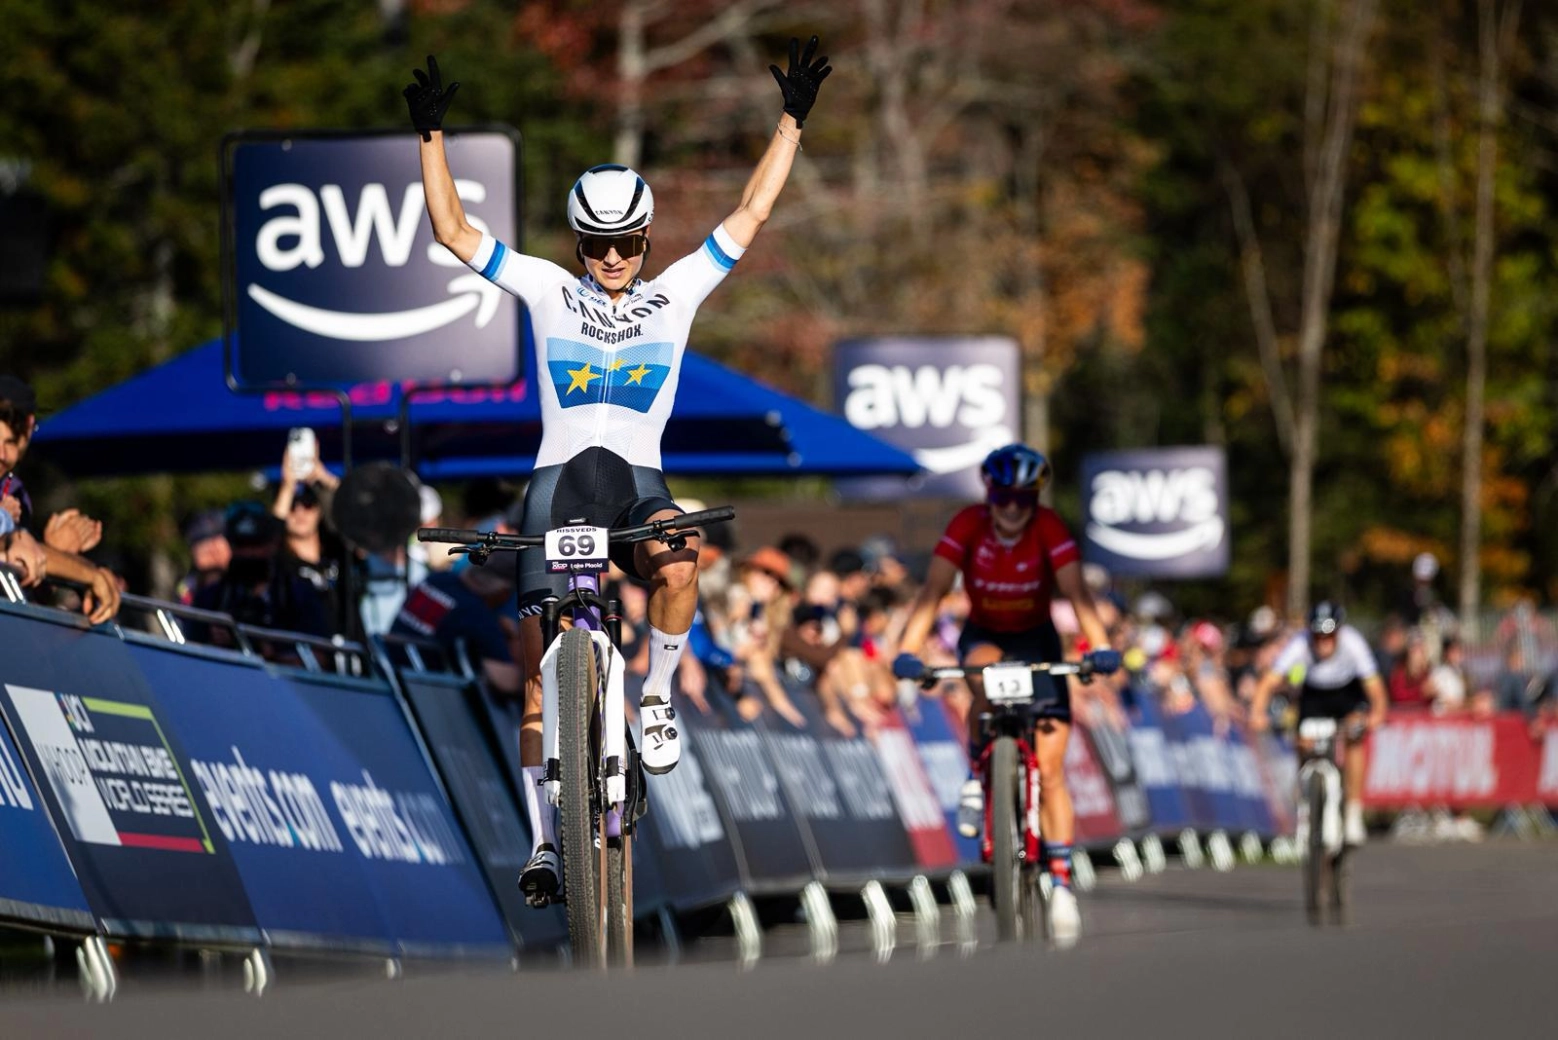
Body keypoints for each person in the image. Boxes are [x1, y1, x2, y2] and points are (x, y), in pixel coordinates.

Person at [406, 36, 832, 902]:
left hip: (633, 483)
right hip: (559, 483)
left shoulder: (673, 293)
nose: (611, 262)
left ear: (645, 240)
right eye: (596, 246)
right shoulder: (543, 288)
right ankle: (545, 847)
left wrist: (790, 123)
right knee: (535, 687)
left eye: (626, 245)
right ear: (576, 243)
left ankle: (661, 693)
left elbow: (748, 215)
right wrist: (430, 139)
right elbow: (453, 231)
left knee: (681, 555)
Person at [891, 444, 1121, 941]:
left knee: (1053, 769)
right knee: (979, 672)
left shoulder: (1050, 529)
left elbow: (1078, 594)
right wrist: (910, 649)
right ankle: (981, 773)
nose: (1012, 508)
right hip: (987, 634)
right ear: (989, 494)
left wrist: (1099, 646)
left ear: (1034, 499)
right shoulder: (968, 525)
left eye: (1023, 498)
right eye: (1002, 496)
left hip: (1037, 638)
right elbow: (931, 592)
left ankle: (1060, 881)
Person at [1248, 601, 1388, 848]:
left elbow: (1375, 688)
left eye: (1329, 636)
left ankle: (1354, 812)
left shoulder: (1353, 644)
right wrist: (1257, 712)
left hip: (1347, 694)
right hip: (1314, 695)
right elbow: (1269, 681)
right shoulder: (1299, 644)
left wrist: (1376, 715)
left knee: (1355, 736)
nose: (1323, 642)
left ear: (1338, 633)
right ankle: (1306, 800)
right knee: (1303, 741)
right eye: (1318, 636)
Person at [0, 376, 120, 622]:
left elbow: (22, 589)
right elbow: (8, 549)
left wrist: (54, 554)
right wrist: (88, 573)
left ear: (30, 428)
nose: (1, 455)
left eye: (10, 442)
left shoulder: (14, 491)